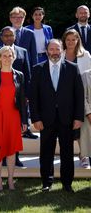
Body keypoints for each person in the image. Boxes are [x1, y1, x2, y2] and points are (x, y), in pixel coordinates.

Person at [30, 39, 84, 193]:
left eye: (57, 49)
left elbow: (79, 95)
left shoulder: (73, 69)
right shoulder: (38, 69)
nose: (54, 52)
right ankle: (46, 182)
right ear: (47, 51)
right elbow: (33, 97)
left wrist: (78, 117)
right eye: (51, 49)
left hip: (67, 119)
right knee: (46, 152)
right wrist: (36, 118)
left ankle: (67, 183)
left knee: (67, 152)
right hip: (45, 120)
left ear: (62, 50)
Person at [0, 46, 27, 191]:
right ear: (0, 58)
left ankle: (10, 180)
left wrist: (24, 120)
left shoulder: (19, 75)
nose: (7, 59)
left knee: (12, 149)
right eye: (4, 56)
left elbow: (22, 100)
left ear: (13, 57)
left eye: (10, 56)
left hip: (13, 116)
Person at [61, 28, 91, 168]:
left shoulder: (86, 55)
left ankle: (83, 155)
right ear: (64, 41)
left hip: (81, 95)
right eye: (68, 40)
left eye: (74, 39)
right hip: (63, 96)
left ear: (78, 40)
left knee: (80, 125)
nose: (71, 42)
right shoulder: (58, 54)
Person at [80, 69, 91, 169]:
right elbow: (82, 97)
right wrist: (89, 113)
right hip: (88, 114)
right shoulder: (85, 75)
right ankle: (85, 157)